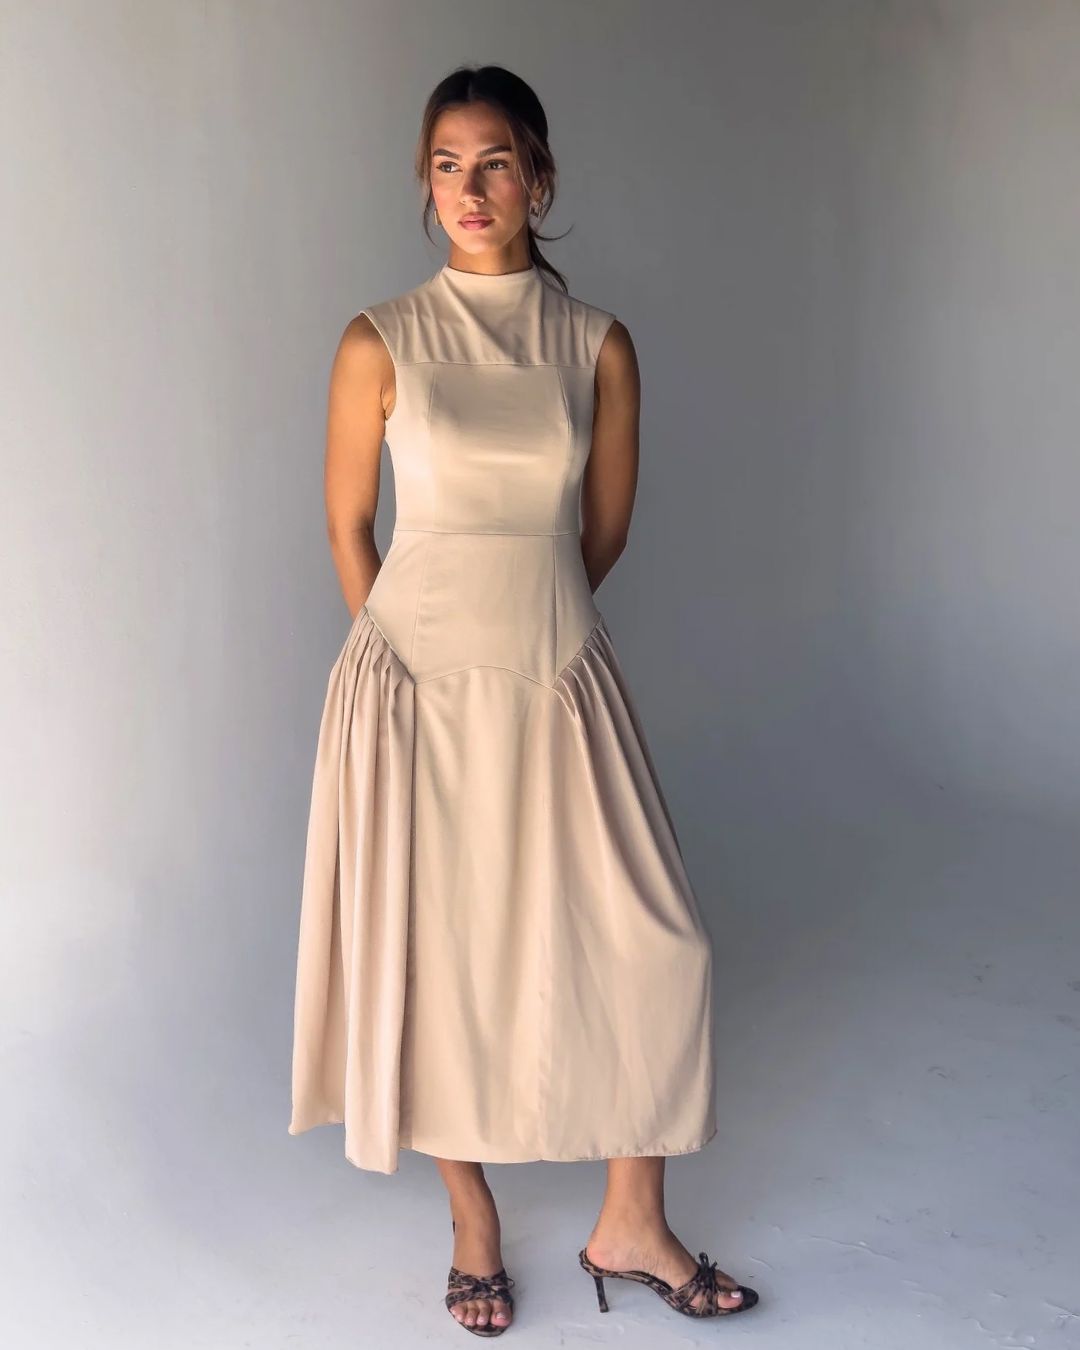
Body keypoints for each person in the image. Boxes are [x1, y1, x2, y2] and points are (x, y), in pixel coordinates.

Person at [288, 64, 759, 1334]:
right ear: (424, 182)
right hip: (411, 682)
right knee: (435, 951)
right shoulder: (380, 337)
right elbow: (348, 525)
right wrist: (404, 658)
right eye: (446, 165)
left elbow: (602, 531)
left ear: (537, 178)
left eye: (494, 162)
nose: (471, 188)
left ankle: (631, 1221)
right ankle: (473, 1221)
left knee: (656, 943)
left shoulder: (598, 345)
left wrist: (532, 628)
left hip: (554, 670)